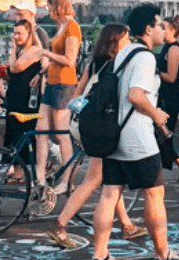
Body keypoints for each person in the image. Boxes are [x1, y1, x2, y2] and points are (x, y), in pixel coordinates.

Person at [86, 4, 179, 260]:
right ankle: (163, 257)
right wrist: (157, 113)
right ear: (148, 29)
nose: (161, 30)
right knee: (154, 193)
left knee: (110, 194)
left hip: (114, 134)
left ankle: (99, 257)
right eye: (159, 25)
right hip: (138, 137)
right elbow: (136, 95)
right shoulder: (145, 58)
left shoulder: (123, 53)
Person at [47, 23, 144, 248]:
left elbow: (78, 94)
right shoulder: (119, 66)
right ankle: (60, 226)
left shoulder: (94, 65)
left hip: (86, 126)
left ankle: (127, 225)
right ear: (116, 41)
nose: (129, 43)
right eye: (126, 39)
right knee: (93, 179)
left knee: (110, 178)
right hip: (104, 130)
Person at [35, 0, 81, 196]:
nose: (47, 8)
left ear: (57, 4)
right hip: (52, 81)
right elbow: (57, 57)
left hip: (64, 84)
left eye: (49, 4)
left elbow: (70, 60)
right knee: (41, 130)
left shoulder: (72, 27)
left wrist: (45, 52)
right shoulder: (61, 26)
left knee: (62, 134)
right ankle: (39, 177)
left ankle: (67, 180)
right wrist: (42, 71)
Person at [2, 19, 44, 183]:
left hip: (26, 98)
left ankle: (24, 170)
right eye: (15, 33)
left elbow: (15, 67)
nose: (16, 37)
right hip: (16, 95)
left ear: (29, 34)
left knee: (22, 131)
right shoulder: (23, 50)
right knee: (13, 131)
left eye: (20, 33)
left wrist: (12, 50)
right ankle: (18, 169)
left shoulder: (33, 50)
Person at [155, 16, 179, 178]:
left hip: (170, 96)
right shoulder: (166, 47)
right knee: (161, 132)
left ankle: (176, 164)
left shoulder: (174, 50)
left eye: (164, 27)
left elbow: (171, 77)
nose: (160, 30)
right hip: (163, 94)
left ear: (173, 31)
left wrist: (154, 72)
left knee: (163, 132)